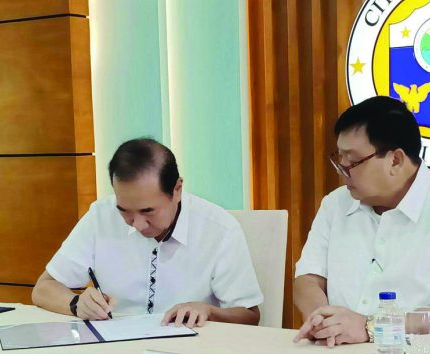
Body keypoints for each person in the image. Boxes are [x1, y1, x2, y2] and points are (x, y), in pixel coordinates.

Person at [293, 96, 430, 347]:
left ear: (396, 160)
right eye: (340, 160)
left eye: (353, 161)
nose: (343, 172)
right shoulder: (335, 204)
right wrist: (324, 321)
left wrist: (371, 327)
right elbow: (307, 279)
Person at [32, 138, 263, 327]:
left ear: (177, 189)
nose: (138, 224)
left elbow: (249, 315)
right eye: (125, 211)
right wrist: (76, 304)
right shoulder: (101, 216)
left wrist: (209, 311)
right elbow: (43, 288)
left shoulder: (219, 229)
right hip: (112, 353)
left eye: (148, 211)